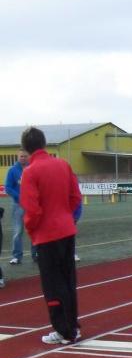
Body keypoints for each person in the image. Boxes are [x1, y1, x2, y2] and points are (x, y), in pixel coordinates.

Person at [19, 127, 82, 345]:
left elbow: (32, 209)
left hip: (46, 235)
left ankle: (63, 330)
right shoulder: (63, 164)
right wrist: (65, 216)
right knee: (68, 280)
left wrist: (32, 229)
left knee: (53, 285)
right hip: (66, 230)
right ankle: (72, 326)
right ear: (44, 143)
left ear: (26, 148)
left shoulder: (30, 172)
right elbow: (75, 197)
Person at [4, 149, 36, 264]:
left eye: (25, 156)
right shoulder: (12, 170)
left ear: (29, 157)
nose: (23, 158)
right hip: (18, 205)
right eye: (21, 156)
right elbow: (8, 187)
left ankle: (36, 254)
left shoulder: (33, 169)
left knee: (34, 230)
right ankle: (16, 256)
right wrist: (20, 197)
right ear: (18, 157)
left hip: (32, 205)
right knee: (18, 231)